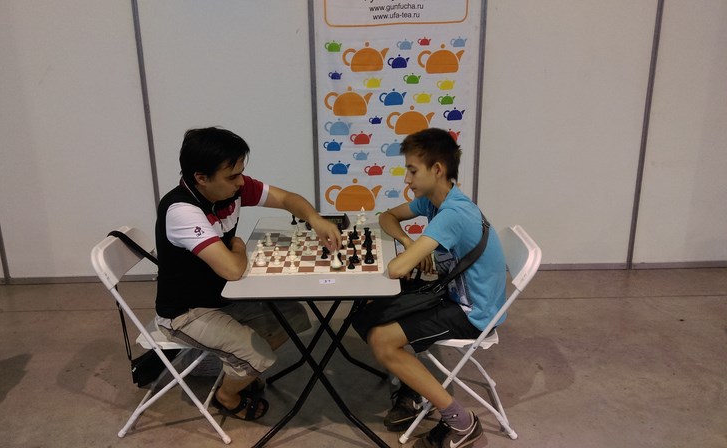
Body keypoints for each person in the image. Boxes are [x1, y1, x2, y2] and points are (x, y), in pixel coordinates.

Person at [154, 127, 342, 421]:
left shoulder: (233, 189)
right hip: (186, 312)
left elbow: (287, 198)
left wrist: (315, 219)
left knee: (294, 315)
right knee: (260, 356)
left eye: (241, 173)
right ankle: (226, 396)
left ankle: (236, 366)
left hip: (222, 297)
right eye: (232, 176)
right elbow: (232, 269)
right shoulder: (182, 210)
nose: (241, 182)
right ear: (201, 178)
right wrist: (238, 247)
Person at [368, 128, 507, 448]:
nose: (407, 179)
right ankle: (413, 387)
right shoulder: (435, 201)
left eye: (412, 170)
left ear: (437, 170)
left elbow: (397, 269)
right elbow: (386, 216)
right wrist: (408, 242)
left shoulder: (453, 214)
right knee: (371, 311)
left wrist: (413, 254)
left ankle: (462, 423)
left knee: (381, 338)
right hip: (454, 295)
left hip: (474, 313)